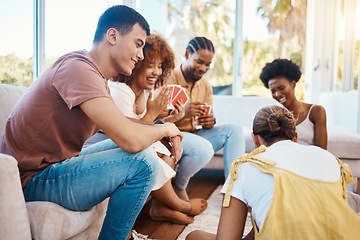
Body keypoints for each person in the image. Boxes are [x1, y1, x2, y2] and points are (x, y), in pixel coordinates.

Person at [0, 5, 183, 240]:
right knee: (143, 162)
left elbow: (122, 123)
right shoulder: (78, 68)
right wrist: (166, 128)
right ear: (113, 36)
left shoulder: (95, 78)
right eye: (138, 44)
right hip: (33, 180)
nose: (141, 55)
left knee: (143, 149)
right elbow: (129, 139)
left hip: (54, 168)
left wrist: (162, 126)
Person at [85, 32, 207, 225]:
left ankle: (159, 208)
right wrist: (153, 116)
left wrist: (170, 118)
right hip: (106, 147)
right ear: (135, 65)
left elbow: (143, 122)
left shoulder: (143, 92)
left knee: (167, 151)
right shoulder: (119, 90)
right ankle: (178, 204)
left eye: (160, 66)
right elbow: (128, 132)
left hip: (131, 142)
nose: (157, 72)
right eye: (150, 66)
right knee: (153, 152)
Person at [186, 105, 360, 240]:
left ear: (255, 139)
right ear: (296, 137)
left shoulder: (245, 167)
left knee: (194, 237)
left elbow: (227, 238)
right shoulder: (328, 158)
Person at [160, 36, 245, 200]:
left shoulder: (205, 85)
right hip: (171, 136)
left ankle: (234, 190)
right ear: (187, 54)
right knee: (202, 147)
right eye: (199, 62)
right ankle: (180, 185)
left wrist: (210, 122)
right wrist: (183, 112)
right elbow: (157, 120)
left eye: (208, 64)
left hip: (194, 134)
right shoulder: (168, 79)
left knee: (234, 130)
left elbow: (205, 120)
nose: (204, 68)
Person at [259, 58, 327, 149]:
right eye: (273, 91)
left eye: (281, 88)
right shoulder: (273, 116)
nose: (277, 94)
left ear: (293, 85)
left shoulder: (316, 111)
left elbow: (322, 152)